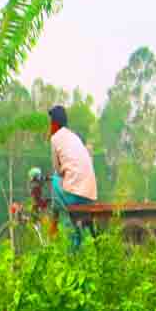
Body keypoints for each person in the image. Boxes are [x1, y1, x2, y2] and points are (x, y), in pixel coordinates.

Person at [47, 105, 97, 249]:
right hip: (90, 193)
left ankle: (55, 224)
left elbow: (57, 168)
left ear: (54, 124)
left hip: (75, 193)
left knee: (55, 180)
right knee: (63, 185)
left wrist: (61, 172)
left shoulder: (55, 138)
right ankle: (73, 235)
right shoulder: (74, 136)